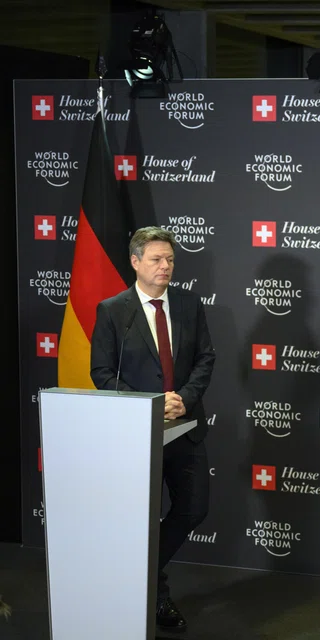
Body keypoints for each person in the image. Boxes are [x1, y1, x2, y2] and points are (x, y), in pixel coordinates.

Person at [90, 226, 215, 633]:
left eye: (171, 260)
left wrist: (184, 398)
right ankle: (153, 592)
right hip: (136, 434)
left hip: (185, 426)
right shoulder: (113, 311)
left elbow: (205, 358)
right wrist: (150, 405)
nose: (166, 267)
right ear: (135, 261)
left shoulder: (189, 304)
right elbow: (102, 373)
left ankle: (139, 575)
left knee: (194, 508)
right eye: (157, 260)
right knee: (139, 519)